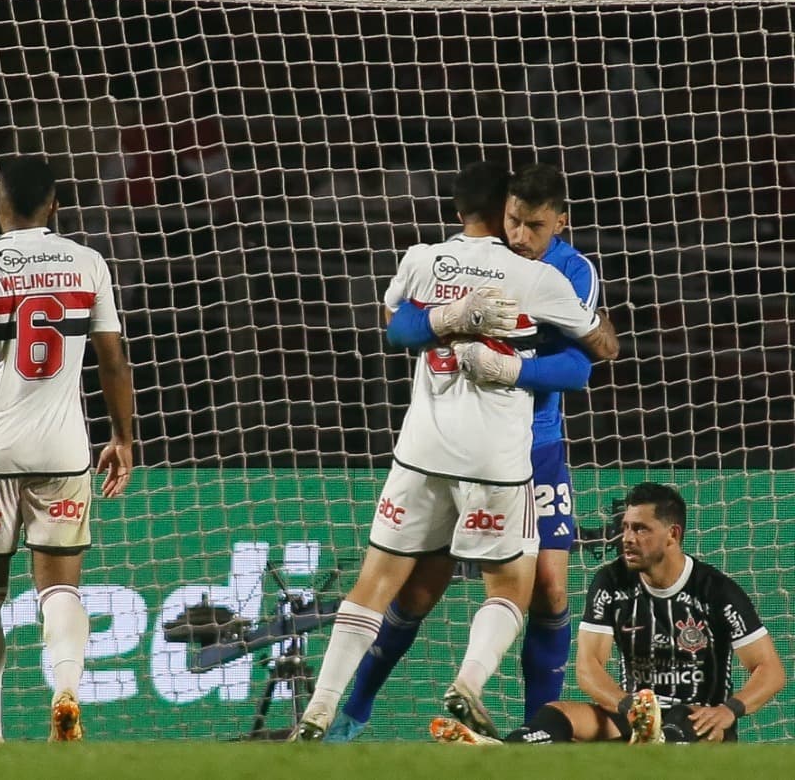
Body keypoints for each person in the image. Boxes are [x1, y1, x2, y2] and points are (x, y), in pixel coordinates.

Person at [294, 160, 618, 741]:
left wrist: (510, 366)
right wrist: (449, 318)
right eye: (514, 222)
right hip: (490, 453)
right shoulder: (519, 271)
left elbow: (586, 358)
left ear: (559, 224)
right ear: (501, 214)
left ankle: (531, 733)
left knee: (549, 586)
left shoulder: (567, 269)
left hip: (531, 443)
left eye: (534, 226)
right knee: (423, 590)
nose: (522, 236)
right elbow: (595, 350)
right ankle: (351, 714)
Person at [0, 155, 135, 742]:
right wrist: (124, 437)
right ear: (54, 205)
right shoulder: (88, 263)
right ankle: (66, 690)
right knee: (60, 588)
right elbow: (111, 357)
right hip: (63, 448)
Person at [436, 483, 786, 744]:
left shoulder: (715, 591)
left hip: (698, 718)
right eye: (626, 527)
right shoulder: (611, 582)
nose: (627, 538)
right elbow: (589, 666)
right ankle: (509, 748)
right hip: (632, 714)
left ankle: (654, 740)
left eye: (640, 529)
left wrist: (729, 710)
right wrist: (627, 705)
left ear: (672, 535)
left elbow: (769, 669)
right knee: (557, 714)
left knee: (681, 722)